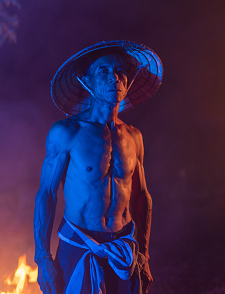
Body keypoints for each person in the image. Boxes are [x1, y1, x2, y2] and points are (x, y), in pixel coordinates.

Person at [34, 40, 163, 294]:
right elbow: (47, 194)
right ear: (87, 82)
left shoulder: (134, 136)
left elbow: (141, 196)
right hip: (80, 245)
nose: (114, 77)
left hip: (125, 247)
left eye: (119, 71)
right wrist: (42, 258)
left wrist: (144, 254)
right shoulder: (66, 132)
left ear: (128, 81)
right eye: (102, 71)